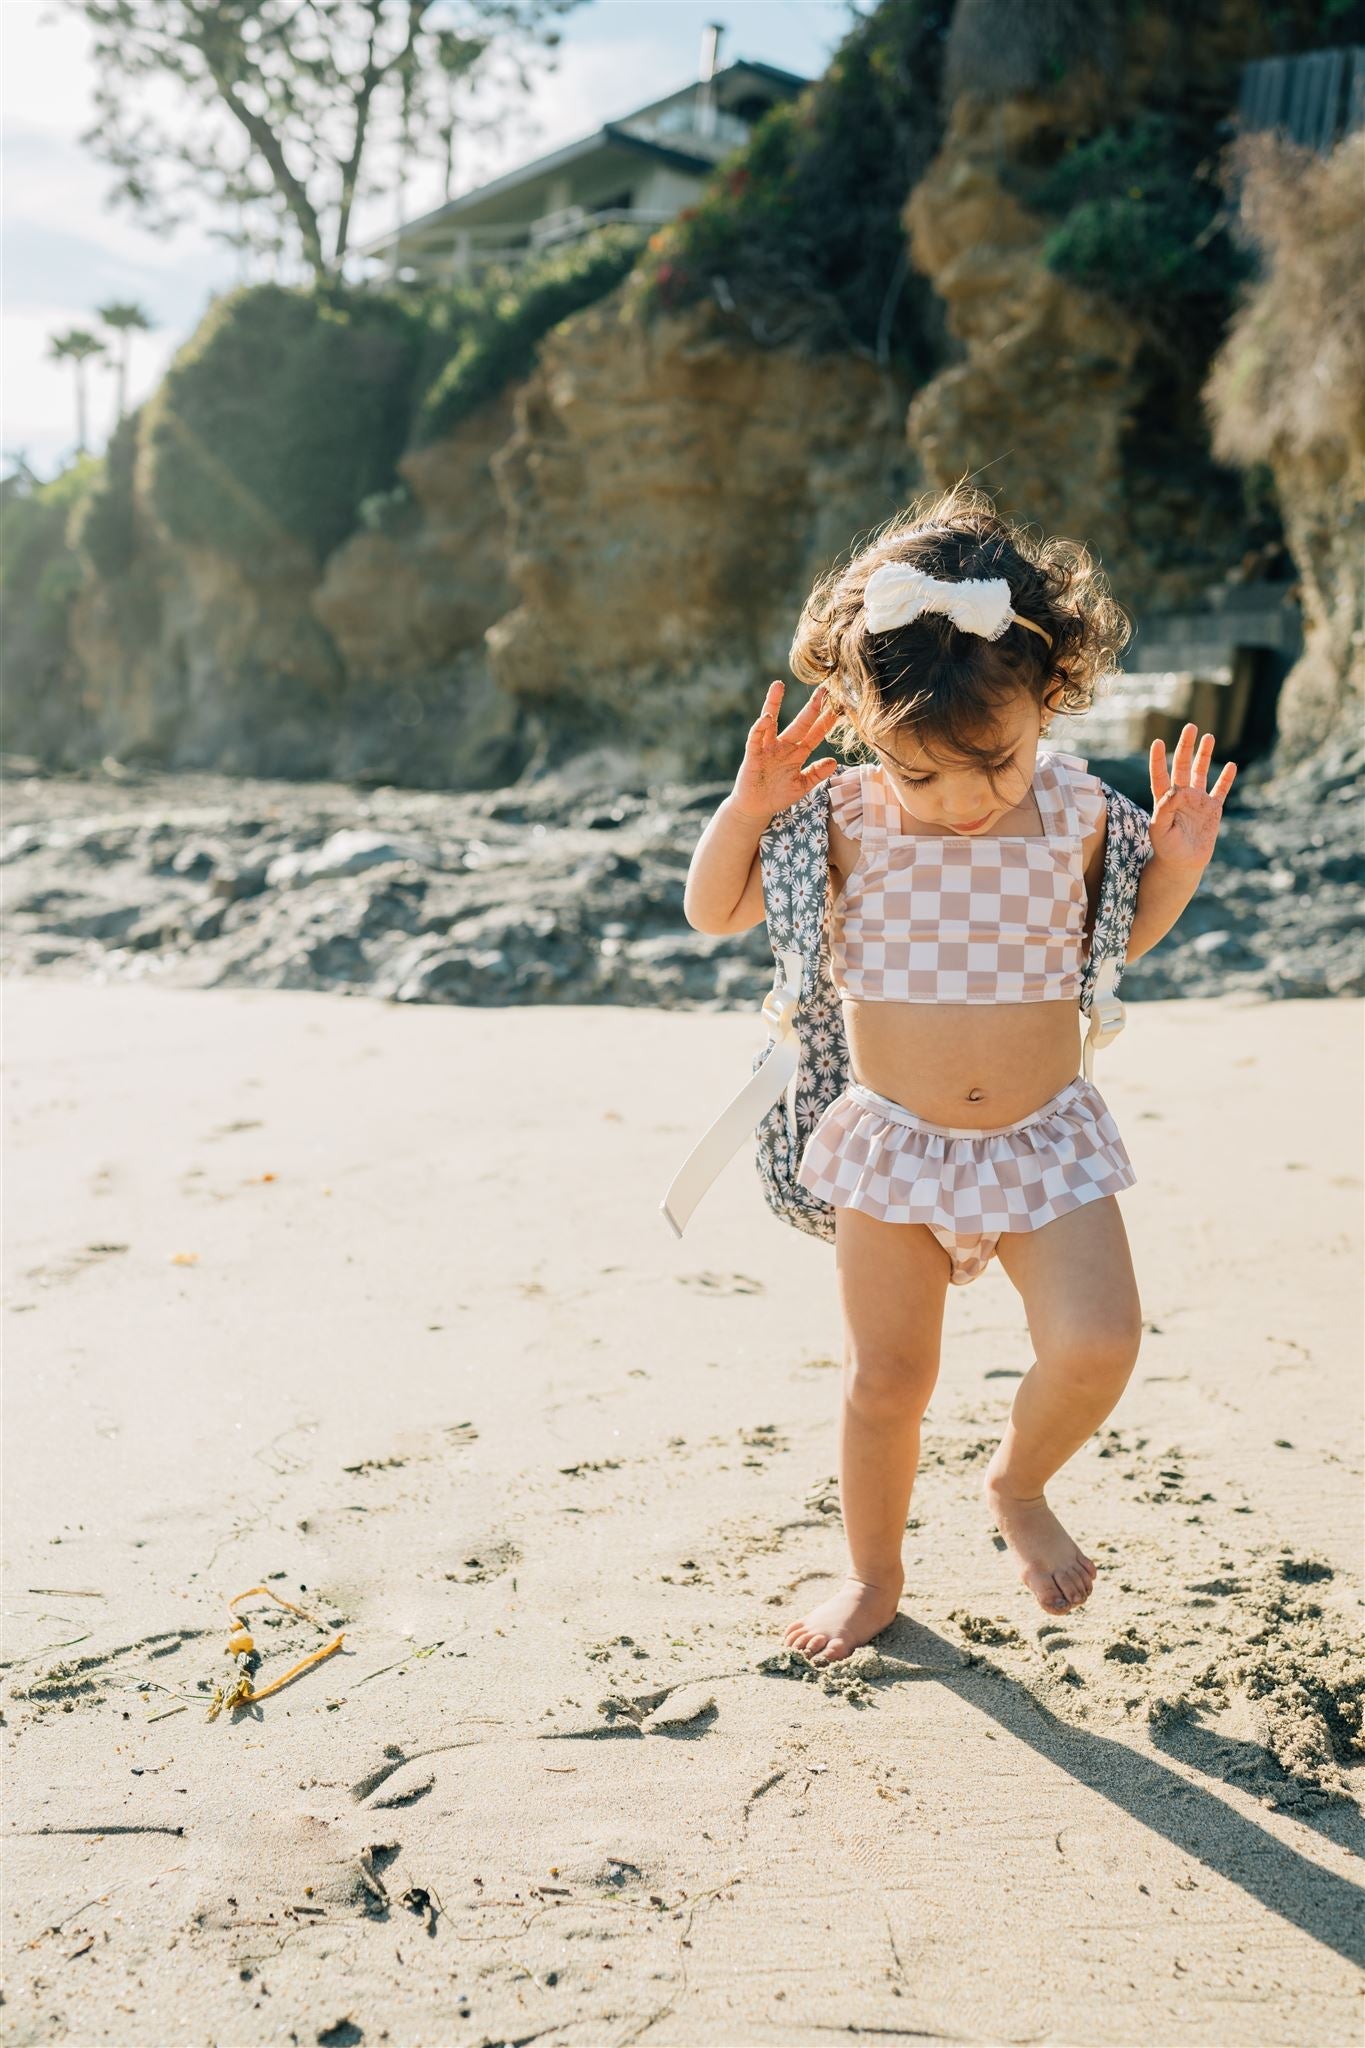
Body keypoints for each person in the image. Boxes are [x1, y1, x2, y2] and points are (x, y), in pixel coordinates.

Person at [682, 482, 1237, 1663]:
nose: (962, 803)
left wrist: (1176, 861)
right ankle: (873, 1573)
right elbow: (715, 907)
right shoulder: (844, 815)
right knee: (888, 1380)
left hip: (1044, 1135)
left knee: (1099, 1342)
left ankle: (1019, 1483)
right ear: (865, 728)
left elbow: (1114, 939)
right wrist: (746, 808)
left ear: (1050, 694)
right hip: (892, 1141)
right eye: (920, 775)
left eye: (993, 763)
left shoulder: (1079, 810)